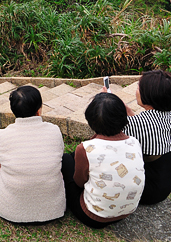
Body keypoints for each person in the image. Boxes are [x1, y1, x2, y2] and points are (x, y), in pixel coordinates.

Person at [0, 85, 66, 224]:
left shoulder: (3, 135)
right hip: (52, 211)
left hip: (12, 212)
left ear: (13, 111)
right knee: (64, 160)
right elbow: (60, 155)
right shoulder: (54, 130)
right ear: (39, 110)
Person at [62, 93, 145, 229]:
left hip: (94, 217)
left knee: (66, 160)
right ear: (124, 118)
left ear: (91, 121)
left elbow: (79, 182)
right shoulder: (134, 142)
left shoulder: (85, 148)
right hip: (128, 212)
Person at [123, 70, 171, 204]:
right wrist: (127, 110)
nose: (136, 90)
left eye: (138, 87)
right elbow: (143, 127)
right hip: (164, 187)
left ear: (149, 95)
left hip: (145, 191)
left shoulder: (138, 124)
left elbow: (107, 128)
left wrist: (105, 103)